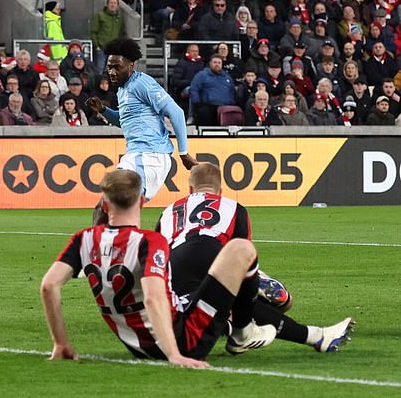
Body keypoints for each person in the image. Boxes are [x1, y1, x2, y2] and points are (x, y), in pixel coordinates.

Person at [41, 169, 269, 366]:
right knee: (241, 249)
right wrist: (174, 355)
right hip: (183, 340)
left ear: (104, 203)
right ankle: (243, 331)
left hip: (137, 346)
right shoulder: (148, 241)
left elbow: (49, 286)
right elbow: (152, 298)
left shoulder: (84, 239)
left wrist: (61, 343)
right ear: (141, 201)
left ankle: (239, 327)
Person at [156, 163, 354, 353]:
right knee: (240, 301)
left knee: (200, 309)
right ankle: (243, 331)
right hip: (213, 253)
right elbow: (242, 253)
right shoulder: (234, 207)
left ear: (190, 189)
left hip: (176, 261)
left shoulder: (169, 210)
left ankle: (316, 336)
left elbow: (159, 253)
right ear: (221, 190)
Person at [86, 38, 197, 204]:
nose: (112, 72)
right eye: (109, 67)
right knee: (110, 202)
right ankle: (120, 230)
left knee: (118, 200)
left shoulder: (142, 83)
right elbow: (124, 121)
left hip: (150, 154)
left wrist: (183, 153)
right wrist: (103, 110)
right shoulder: (123, 89)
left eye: (117, 67)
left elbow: (176, 112)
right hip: (136, 154)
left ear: (130, 65)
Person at [190, 54, 237, 126]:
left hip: (224, 107)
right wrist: (197, 103)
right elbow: (194, 89)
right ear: (210, 63)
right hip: (208, 106)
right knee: (204, 112)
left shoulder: (227, 77)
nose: (217, 64)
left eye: (219, 63)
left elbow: (232, 91)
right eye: (215, 62)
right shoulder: (202, 75)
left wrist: (231, 103)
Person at [90, 0, 125, 73]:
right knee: (100, 71)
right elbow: (93, 31)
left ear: (118, 5)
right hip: (101, 50)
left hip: (114, 51)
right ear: (107, 4)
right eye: (111, 3)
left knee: (113, 73)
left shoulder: (119, 18)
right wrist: (97, 46)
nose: (112, 5)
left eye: (114, 3)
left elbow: (122, 33)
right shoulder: (100, 15)